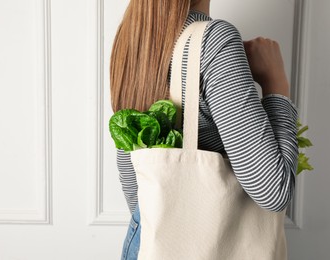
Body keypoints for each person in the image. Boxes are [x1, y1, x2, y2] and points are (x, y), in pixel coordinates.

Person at [109, 0, 298, 259]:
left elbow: (134, 181)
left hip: (144, 247)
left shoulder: (135, 37)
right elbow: (273, 190)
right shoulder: (213, 40)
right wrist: (276, 83)